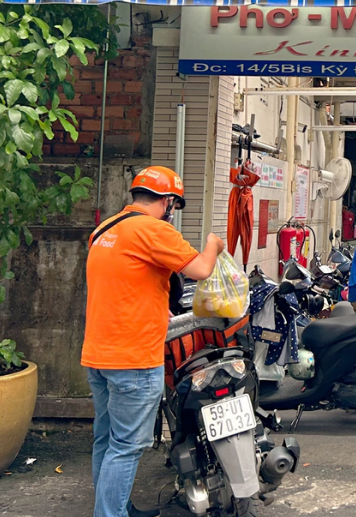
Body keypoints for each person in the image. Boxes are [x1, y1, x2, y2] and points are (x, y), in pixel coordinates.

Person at [83, 166, 225, 517]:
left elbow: (128, 283)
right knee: (127, 447)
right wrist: (214, 244)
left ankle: (115, 506)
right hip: (133, 358)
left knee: (107, 439)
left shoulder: (104, 230)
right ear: (168, 202)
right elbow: (201, 270)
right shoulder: (153, 229)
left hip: (98, 354)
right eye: (172, 205)